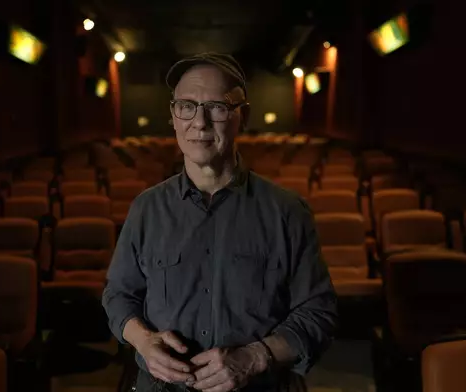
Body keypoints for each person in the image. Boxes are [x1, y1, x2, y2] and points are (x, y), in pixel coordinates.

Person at [102, 52, 338, 392]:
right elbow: (118, 295)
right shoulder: (146, 208)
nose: (200, 123)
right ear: (173, 115)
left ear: (243, 116)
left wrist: (255, 357)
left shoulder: (287, 211)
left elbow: (319, 312)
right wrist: (142, 341)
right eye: (186, 106)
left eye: (217, 106)